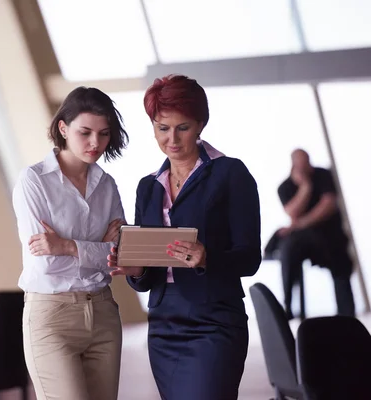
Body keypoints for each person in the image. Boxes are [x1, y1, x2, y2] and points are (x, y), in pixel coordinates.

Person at [108, 75, 261, 400]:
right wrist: (134, 270)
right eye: (163, 128)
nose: (172, 139)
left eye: (183, 127)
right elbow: (148, 275)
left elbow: (250, 257)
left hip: (214, 321)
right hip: (164, 324)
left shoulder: (231, 173)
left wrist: (207, 258)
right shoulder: (147, 187)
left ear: (201, 123)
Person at [12, 87, 128, 400]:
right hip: (52, 318)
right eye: (85, 132)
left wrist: (66, 246)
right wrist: (96, 247)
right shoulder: (33, 181)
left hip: (104, 314)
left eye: (104, 134)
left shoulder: (107, 185)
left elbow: (120, 254)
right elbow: (45, 260)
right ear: (63, 128)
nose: (95, 143)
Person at [276, 149, 355, 319]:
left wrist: (301, 223)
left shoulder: (323, 175)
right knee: (288, 251)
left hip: (330, 237)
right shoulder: (285, 187)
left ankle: (347, 316)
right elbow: (292, 212)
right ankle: (288, 306)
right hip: (303, 242)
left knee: (340, 262)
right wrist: (306, 187)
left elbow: (329, 205)